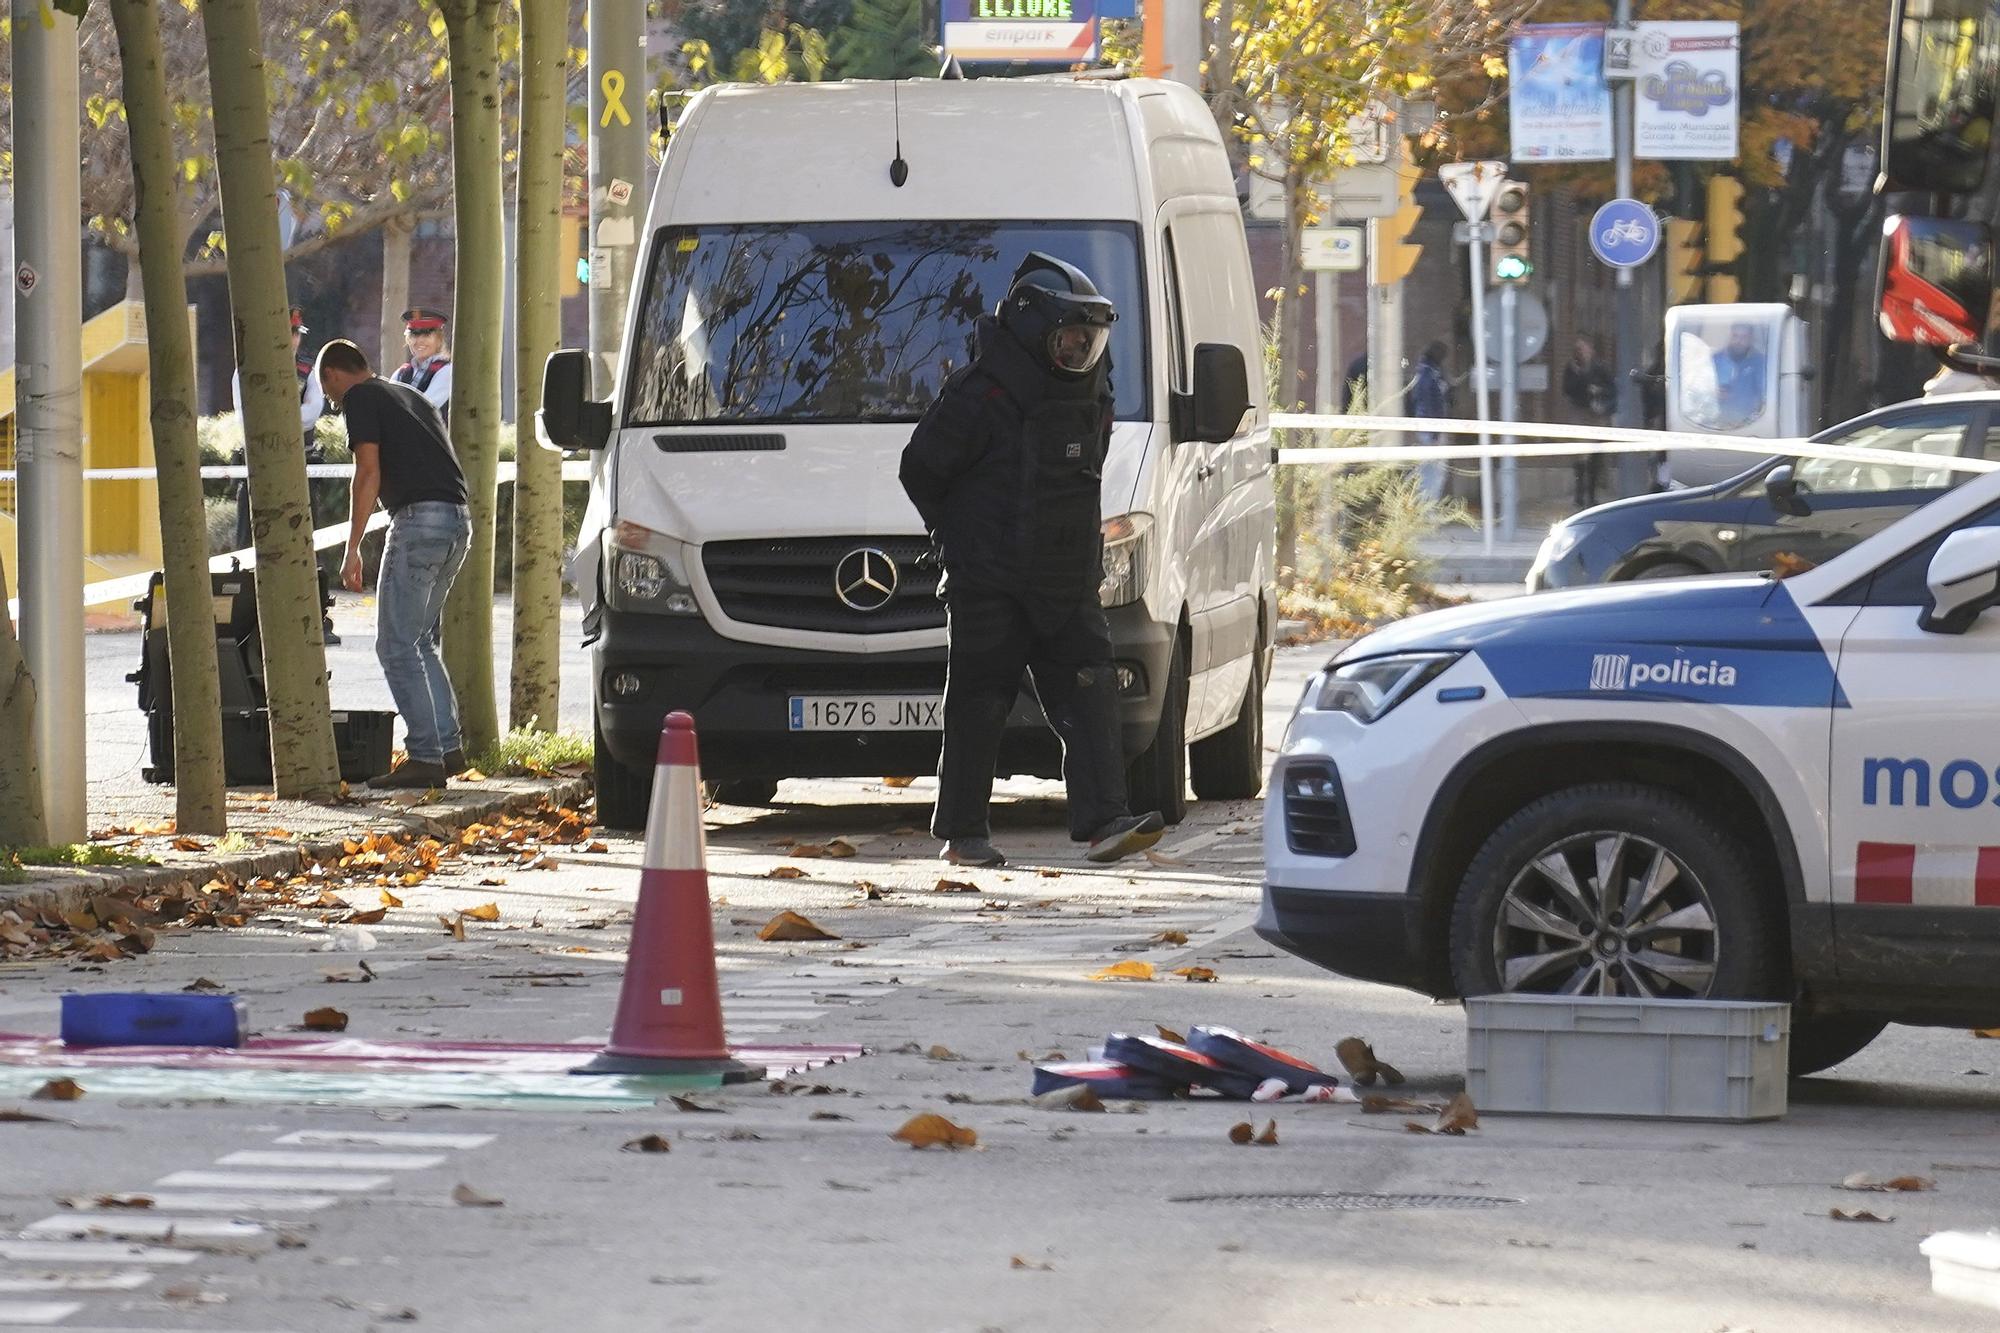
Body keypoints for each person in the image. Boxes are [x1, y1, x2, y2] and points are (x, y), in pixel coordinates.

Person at [899, 253, 1166, 869]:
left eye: (1089, 339)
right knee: (981, 702)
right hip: (989, 584)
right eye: (1070, 337)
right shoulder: (979, 394)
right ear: (1030, 330)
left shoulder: (1093, 391)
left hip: (1066, 581)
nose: (1080, 350)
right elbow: (920, 470)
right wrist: (957, 539)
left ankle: (1105, 824)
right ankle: (964, 835)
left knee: (1091, 691)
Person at [316, 339, 471, 790]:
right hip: (457, 521)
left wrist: (352, 546)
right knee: (420, 641)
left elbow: (368, 471)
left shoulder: (360, 397)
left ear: (333, 375)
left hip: (419, 521)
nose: (331, 399)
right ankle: (447, 748)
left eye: (328, 389)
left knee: (396, 645)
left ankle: (425, 758)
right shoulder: (412, 395)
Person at [232, 304, 340, 642]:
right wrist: (283, 414)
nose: (291, 339)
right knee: (248, 541)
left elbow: (312, 413)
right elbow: (244, 414)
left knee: (310, 540)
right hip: (257, 467)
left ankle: (315, 615)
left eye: (296, 333)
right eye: (286, 332)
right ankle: (245, 617)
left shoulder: (310, 369)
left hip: (302, 464)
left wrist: (273, 415)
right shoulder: (246, 368)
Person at [1561, 336, 1616, 506]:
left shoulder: (1600, 367)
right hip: (1580, 413)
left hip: (1597, 415)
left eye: (1584, 348)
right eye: (1578, 349)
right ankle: (1579, 494)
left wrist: (1599, 390)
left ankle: (1591, 496)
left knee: (1595, 456)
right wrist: (1581, 378)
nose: (1582, 353)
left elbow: (1612, 389)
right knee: (1580, 456)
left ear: (1590, 349)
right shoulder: (1572, 368)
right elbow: (1567, 389)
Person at [391, 307, 454, 423]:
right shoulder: (401, 373)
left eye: (426, 335)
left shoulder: (447, 371)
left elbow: (426, 408)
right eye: (414, 335)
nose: (419, 341)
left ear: (439, 339)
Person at [1410, 341, 1452, 501]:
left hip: (1428, 427)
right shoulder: (1429, 375)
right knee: (1433, 469)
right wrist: (1435, 433)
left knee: (1429, 468)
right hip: (1430, 428)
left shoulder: (1427, 372)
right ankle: (1426, 505)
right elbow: (1429, 403)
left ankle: (1424, 503)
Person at [1711, 323, 1767, 430]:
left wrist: (1736, 395)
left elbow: (1764, 396)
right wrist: (1713, 393)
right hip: (1714, 424)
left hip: (1748, 424)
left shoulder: (1760, 362)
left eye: (1744, 337)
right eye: (1735, 336)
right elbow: (1702, 389)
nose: (1738, 341)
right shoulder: (1715, 359)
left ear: (1751, 339)